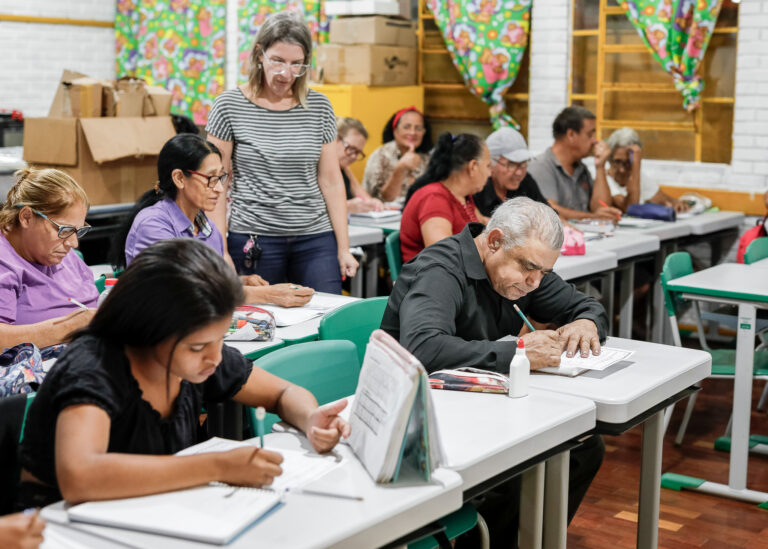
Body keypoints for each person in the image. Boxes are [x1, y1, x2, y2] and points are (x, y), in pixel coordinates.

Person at [17, 239, 350, 509]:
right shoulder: (93, 368)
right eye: (197, 347)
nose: (215, 357)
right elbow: (80, 477)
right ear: (149, 329)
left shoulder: (198, 358)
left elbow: (281, 394)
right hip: (59, 524)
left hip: (151, 509)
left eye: (220, 339)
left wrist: (310, 418)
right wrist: (217, 466)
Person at [381, 197, 607, 544]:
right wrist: (518, 351)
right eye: (529, 268)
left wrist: (587, 323)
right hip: (420, 414)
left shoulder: (524, 270)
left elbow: (584, 304)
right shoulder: (441, 270)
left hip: (481, 401)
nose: (534, 282)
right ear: (495, 241)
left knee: (584, 447)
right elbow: (422, 349)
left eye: (543, 272)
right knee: (532, 457)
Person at [206, 11, 357, 294]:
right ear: (259, 54)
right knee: (262, 323)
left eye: (296, 64)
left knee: (322, 317)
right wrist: (220, 249)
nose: (286, 73)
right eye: (277, 60)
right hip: (254, 237)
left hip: (315, 237)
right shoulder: (229, 106)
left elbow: (331, 181)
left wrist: (344, 248)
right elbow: (216, 182)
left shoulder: (320, 107)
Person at [112, 133, 313, 308]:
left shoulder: (205, 226)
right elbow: (182, 291)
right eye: (210, 179)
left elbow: (206, 279)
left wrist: (240, 281)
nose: (218, 189)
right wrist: (268, 295)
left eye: (221, 178)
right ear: (179, 178)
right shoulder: (153, 224)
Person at [0, 168, 98, 350]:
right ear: (27, 217)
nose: (73, 243)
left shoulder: (60, 254)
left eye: (79, 231)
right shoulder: (5, 263)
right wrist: (70, 327)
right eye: (64, 230)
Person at [399, 133, 490, 263]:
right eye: (487, 166)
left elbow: (484, 223)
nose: (490, 173)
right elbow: (443, 255)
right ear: (473, 167)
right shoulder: (434, 199)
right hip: (431, 280)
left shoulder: (465, 197)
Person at [527, 106, 622, 222]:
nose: (595, 141)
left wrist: (600, 167)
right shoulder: (541, 166)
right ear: (571, 134)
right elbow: (549, 209)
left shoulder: (581, 168)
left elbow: (602, 209)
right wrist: (592, 217)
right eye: (590, 135)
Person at [601, 127, 688, 213]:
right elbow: (630, 208)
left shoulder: (640, 177)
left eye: (628, 163)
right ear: (610, 158)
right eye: (617, 162)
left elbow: (662, 198)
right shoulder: (604, 180)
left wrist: (676, 203)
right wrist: (636, 166)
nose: (622, 169)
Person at [472, 127, 549, 220]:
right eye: (511, 165)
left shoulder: (526, 182)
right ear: (491, 163)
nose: (519, 172)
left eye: (524, 163)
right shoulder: (477, 189)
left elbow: (548, 215)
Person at [362, 107, 433, 204]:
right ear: (395, 130)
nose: (412, 132)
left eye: (418, 128)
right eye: (407, 127)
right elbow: (382, 199)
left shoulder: (427, 159)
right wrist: (401, 168)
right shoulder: (380, 156)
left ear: (424, 132)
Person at [335, 117, 384, 214]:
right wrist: (347, 207)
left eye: (358, 152)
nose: (354, 156)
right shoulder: (311, 167)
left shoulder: (344, 168)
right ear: (334, 138)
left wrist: (373, 203)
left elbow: (365, 198)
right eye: (351, 148)